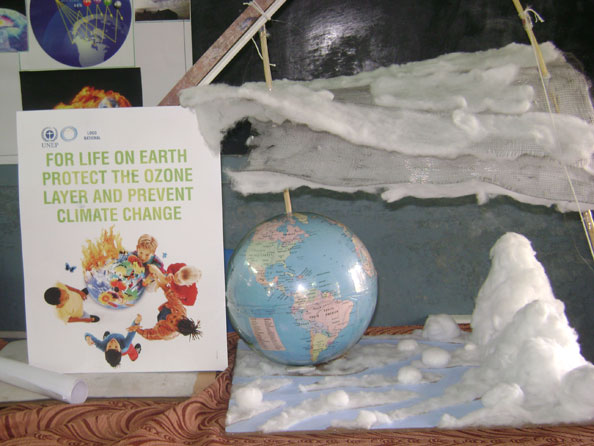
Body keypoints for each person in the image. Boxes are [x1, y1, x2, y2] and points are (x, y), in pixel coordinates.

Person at [128, 265, 201, 341]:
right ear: (182, 316)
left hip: (162, 321)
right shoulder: (179, 309)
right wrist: (159, 282)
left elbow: (149, 334)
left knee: (163, 317)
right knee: (172, 299)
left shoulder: (165, 332)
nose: (170, 317)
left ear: (174, 329)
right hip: (170, 308)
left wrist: (137, 329)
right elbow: (169, 293)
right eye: (174, 316)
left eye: (171, 321)